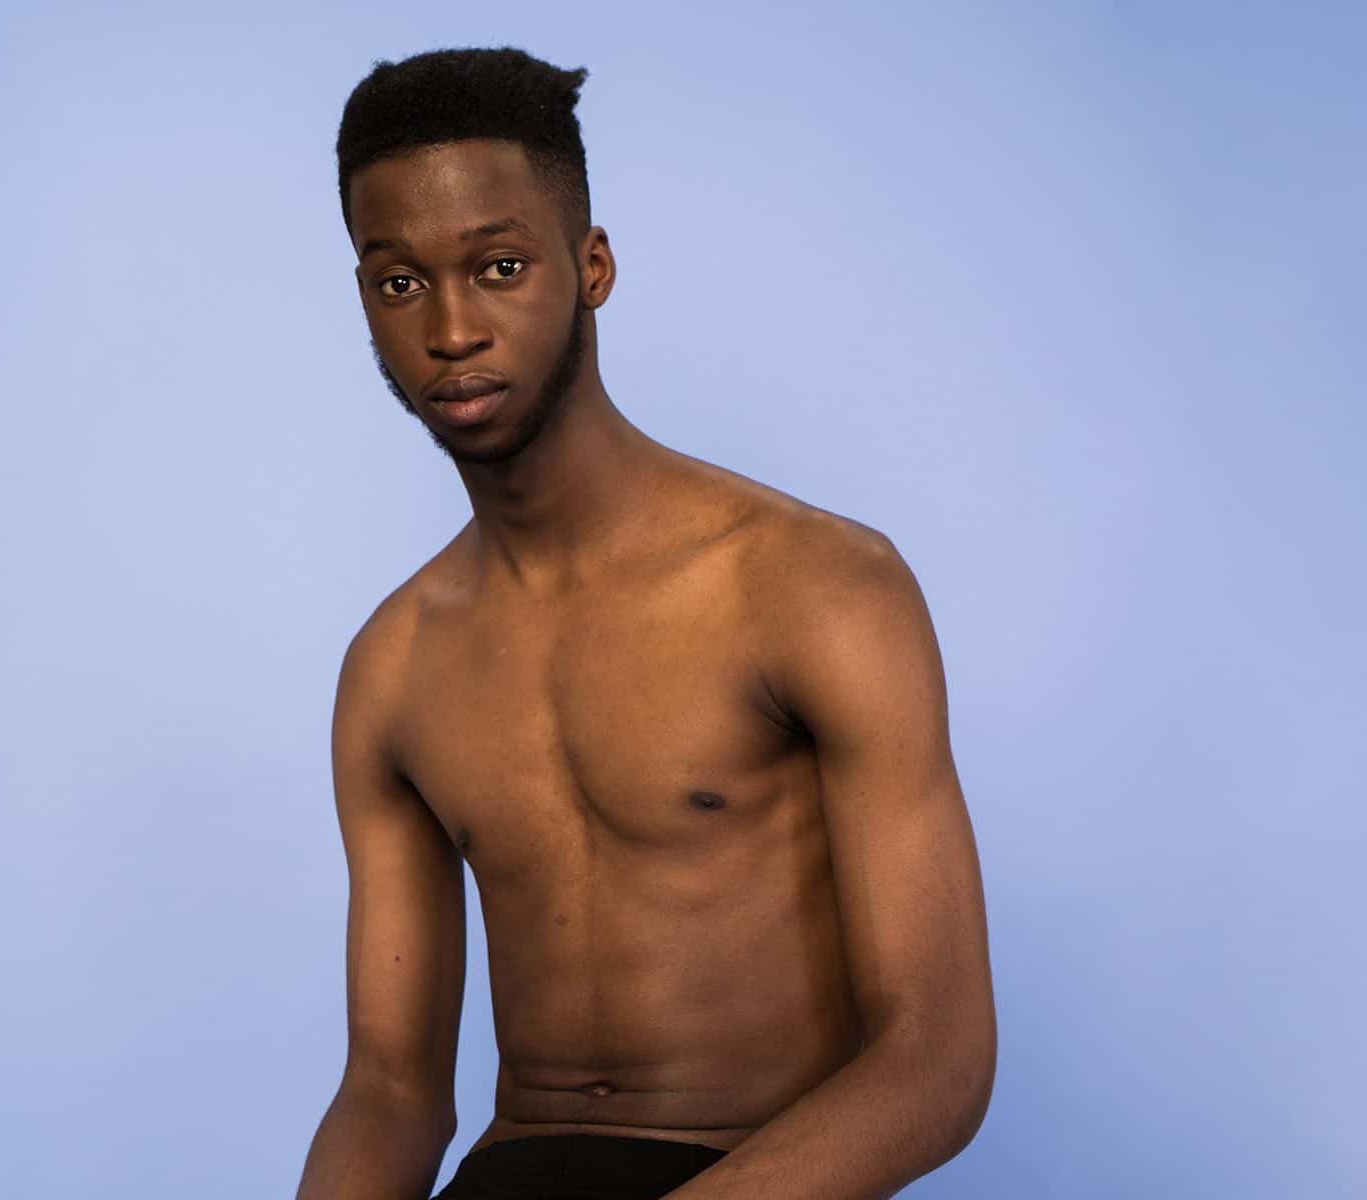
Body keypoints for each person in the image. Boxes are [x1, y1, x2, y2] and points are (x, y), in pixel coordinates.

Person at [296, 46, 996, 1200]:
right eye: (401, 282)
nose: (453, 329)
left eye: (501, 265)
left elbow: (937, 1062)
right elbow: (389, 1092)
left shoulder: (814, 585)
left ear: (593, 265)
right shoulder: (393, 666)